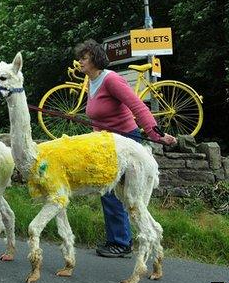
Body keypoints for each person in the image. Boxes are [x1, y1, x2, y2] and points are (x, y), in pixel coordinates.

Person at [75, 39, 176, 258]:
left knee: (119, 194)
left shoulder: (111, 79)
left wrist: (155, 134)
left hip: (126, 144)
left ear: (95, 59)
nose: (80, 61)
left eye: (84, 57)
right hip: (107, 146)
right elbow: (98, 118)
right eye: (79, 57)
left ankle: (121, 242)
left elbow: (137, 106)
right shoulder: (90, 82)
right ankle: (118, 240)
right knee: (108, 192)